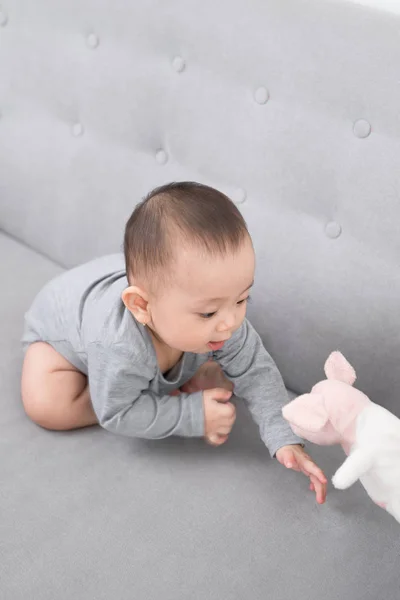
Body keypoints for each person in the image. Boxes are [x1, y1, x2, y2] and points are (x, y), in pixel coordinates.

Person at [21, 181, 327, 503]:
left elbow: (258, 372)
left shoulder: (218, 321)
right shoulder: (117, 345)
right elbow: (115, 415)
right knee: (48, 407)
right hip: (60, 334)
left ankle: (156, 383)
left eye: (242, 299)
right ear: (141, 307)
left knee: (208, 344)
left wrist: (284, 438)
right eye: (208, 312)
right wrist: (190, 414)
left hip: (147, 297)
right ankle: (147, 388)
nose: (231, 322)